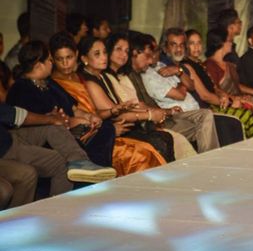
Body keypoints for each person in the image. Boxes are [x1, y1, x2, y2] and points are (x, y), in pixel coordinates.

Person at [51, 33, 166, 175]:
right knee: (141, 155)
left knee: (149, 149)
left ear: (76, 55)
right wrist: (110, 128)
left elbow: (96, 113)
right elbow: (71, 120)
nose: (65, 63)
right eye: (60, 59)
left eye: (69, 57)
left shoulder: (81, 78)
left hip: (103, 130)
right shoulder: (54, 84)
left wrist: (113, 114)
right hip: (86, 139)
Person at [7, 38, 116, 172]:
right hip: (50, 137)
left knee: (105, 127)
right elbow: (33, 123)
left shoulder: (49, 83)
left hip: (71, 128)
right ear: (39, 65)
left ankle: (98, 171)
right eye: (50, 60)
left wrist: (89, 117)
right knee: (86, 132)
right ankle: (89, 172)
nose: (51, 63)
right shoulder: (20, 89)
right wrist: (71, 122)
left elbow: (74, 108)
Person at [78, 36, 175, 163]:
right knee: (159, 142)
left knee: (165, 137)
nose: (103, 57)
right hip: (110, 133)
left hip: (123, 127)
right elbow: (116, 115)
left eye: (105, 52)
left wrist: (152, 113)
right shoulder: (90, 82)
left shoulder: (102, 76)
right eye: (97, 54)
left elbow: (122, 108)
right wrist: (150, 115)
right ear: (84, 59)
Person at [141, 34, 220, 153]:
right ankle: (211, 159)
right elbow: (181, 95)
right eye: (174, 45)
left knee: (215, 120)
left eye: (181, 45)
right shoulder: (149, 74)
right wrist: (181, 80)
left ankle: (212, 158)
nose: (178, 49)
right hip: (177, 115)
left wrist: (179, 72)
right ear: (166, 48)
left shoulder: (162, 65)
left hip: (194, 111)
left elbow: (191, 85)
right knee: (208, 116)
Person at [184, 28, 253, 139]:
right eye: (192, 43)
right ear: (186, 46)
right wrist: (230, 102)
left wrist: (223, 94)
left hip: (217, 102)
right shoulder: (187, 65)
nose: (196, 47)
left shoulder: (199, 63)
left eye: (199, 43)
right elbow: (204, 96)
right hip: (206, 108)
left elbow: (214, 87)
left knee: (250, 110)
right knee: (247, 115)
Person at [205, 30, 253, 135]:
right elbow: (215, 89)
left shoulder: (229, 65)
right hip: (226, 104)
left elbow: (236, 85)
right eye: (229, 41)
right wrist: (238, 99)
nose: (232, 44)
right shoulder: (210, 65)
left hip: (237, 99)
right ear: (221, 43)